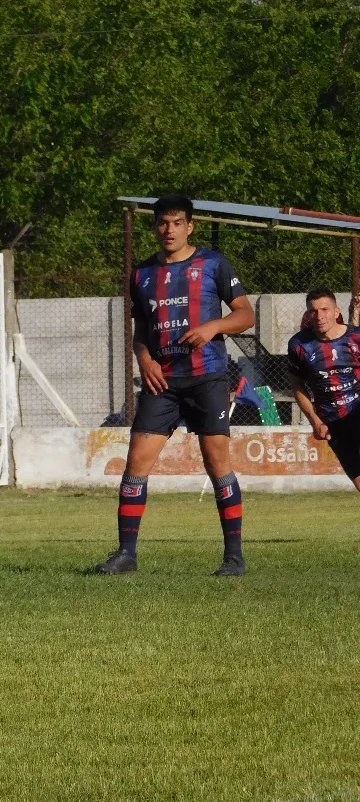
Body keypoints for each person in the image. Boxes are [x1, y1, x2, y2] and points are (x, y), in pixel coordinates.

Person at [97, 193, 255, 577]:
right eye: (162, 223)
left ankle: (233, 557)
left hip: (207, 377)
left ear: (190, 226)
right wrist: (144, 358)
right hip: (162, 382)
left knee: (217, 463)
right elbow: (140, 333)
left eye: (177, 223)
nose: (169, 230)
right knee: (136, 462)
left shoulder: (214, 263)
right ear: (155, 228)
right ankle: (126, 555)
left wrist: (213, 327)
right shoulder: (142, 274)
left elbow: (245, 315)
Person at [289, 289, 360, 488]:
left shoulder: (356, 338)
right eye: (314, 311)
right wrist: (315, 420)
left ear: (336, 311)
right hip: (333, 421)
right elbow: (296, 384)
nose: (320, 316)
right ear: (308, 314)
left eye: (325, 309)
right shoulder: (299, 345)